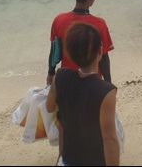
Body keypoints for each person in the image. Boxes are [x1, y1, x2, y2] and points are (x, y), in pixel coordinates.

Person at [46, 22, 120, 166]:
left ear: (68, 52)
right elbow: (110, 140)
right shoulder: (106, 91)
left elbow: (50, 107)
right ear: (100, 51)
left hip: (68, 159)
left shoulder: (60, 77)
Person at [47, 0, 114, 86]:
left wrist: (50, 73)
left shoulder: (59, 20)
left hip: (66, 81)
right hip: (92, 82)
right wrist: (108, 84)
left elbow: (54, 51)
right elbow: (103, 58)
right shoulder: (99, 24)